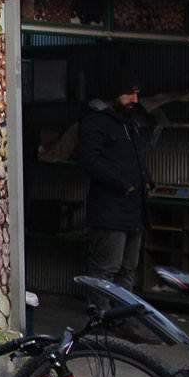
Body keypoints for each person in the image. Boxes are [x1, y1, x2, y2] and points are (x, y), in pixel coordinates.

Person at [77, 72, 151, 288]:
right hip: (109, 211)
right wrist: (123, 184)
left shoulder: (130, 123)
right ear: (114, 94)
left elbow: (136, 159)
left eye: (137, 94)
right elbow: (89, 160)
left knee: (129, 269)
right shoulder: (95, 122)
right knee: (106, 268)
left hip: (135, 211)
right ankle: (99, 309)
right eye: (129, 94)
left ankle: (122, 310)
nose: (135, 100)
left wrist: (147, 180)